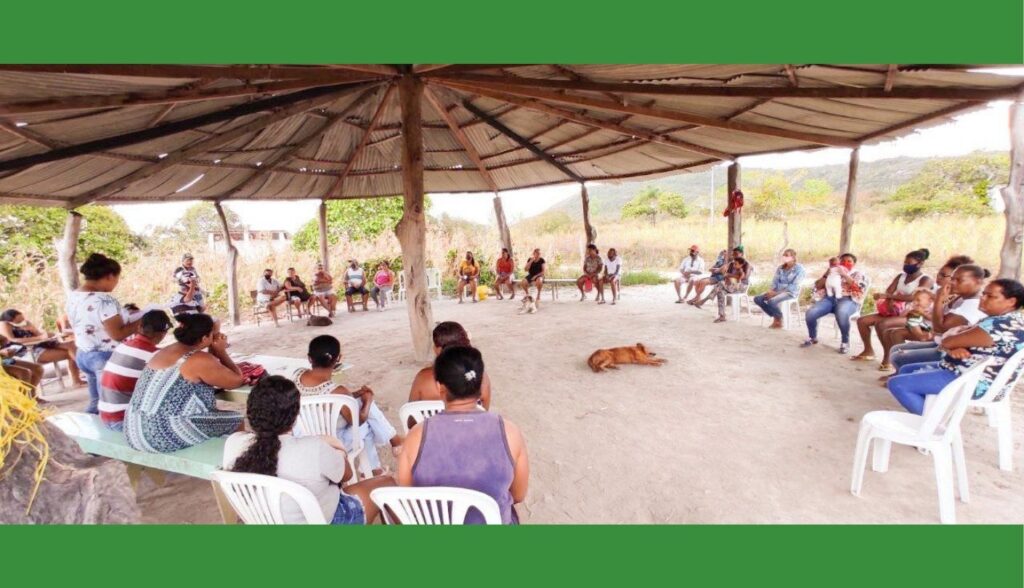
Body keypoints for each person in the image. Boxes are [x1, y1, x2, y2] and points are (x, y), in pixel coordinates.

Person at [223, 375, 395, 524]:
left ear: (251, 412)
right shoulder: (314, 448)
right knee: (387, 484)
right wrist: (338, 448)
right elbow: (347, 475)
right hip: (326, 522)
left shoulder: (234, 443)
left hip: (264, 522)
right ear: (295, 414)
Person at [398, 346, 529, 525]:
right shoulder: (509, 431)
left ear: (439, 387)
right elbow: (519, 495)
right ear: (481, 383)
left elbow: (408, 496)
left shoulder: (415, 437)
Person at [887, 279, 1024, 415]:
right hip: (971, 373)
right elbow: (949, 340)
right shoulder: (1011, 319)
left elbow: (947, 340)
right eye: (984, 294)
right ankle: (931, 409)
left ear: (1011, 301)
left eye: (991, 296)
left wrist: (952, 343)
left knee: (897, 384)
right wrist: (952, 345)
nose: (983, 298)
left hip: (973, 381)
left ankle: (934, 425)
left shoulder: (1000, 324)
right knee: (906, 368)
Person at [125, 313, 244, 453]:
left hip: (134, 428)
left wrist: (213, 350)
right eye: (213, 334)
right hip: (159, 434)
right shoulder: (198, 359)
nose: (216, 337)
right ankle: (236, 459)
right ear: (205, 338)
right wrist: (221, 351)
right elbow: (236, 380)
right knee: (236, 420)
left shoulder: (166, 350)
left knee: (214, 418)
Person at [294, 335, 402, 474]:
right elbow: (358, 421)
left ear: (309, 358)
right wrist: (368, 400)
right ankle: (375, 465)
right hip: (335, 442)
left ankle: (382, 458)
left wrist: (356, 394)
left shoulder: (298, 376)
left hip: (306, 436)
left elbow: (331, 397)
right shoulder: (338, 391)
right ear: (338, 359)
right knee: (367, 422)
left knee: (359, 404)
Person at [66, 253, 140, 414]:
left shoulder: (74, 295)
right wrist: (141, 321)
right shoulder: (104, 300)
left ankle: (87, 436)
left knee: (95, 403)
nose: (116, 284)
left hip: (83, 354)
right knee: (110, 407)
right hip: (103, 357)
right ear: (109, 276)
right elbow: (118, 334)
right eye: (117, 279)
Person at [887, 261, 988, 372]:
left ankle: (909, 378)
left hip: (953, 351)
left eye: (959, 280)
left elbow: (939, 327)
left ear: (978, 282)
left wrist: (939, 298)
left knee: (899, 357)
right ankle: (904, 376)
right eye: (952, 278)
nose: (953, 282)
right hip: (942, 343)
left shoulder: (972, 305)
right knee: (896, 349)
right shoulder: (961, 297)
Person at [852, 249, 933, 363]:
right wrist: (889, 300)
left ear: (920, 264)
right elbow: (890, 290)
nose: (906, 265)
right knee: (862, 321)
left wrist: (889, 296)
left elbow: (913, 297)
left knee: (882, 324)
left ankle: (888, 357)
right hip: (894, 311)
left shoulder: (925, 279)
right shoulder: (901, 276)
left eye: (909, 263)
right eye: (905, 263)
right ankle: (868, 350)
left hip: (913, 314)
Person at [98, 310, 172, 431]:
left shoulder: (123, 346)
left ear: (139, 327)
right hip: (124, 421)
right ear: (163, 334)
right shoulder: (153, 355)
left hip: (106, 417)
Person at [409, 321, 492, 410]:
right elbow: (484, 411)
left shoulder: (423, 378)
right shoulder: (480, 377)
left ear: (438, 349)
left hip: (433, 423)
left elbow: (410, 414)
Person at [801, 253, 869, 354]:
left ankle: (845, 342)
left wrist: (844, 274)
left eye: (849, 261)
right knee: (811, 313)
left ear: (854, 263)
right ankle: (812, 337)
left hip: (848, 299)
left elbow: (858, 288)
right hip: (829, 298)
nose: (845, 263)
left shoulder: (858, 274)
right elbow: (818, 286)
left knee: (842, 313)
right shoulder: (832, 272)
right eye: (842, 261)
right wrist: (826, 274)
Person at [0, 308, 83, 385]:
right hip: (27, 350)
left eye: (22, 318)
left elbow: (39, 334)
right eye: (18, 320)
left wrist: (35, 331)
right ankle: (82, 375)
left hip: (41, 344)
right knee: (70, 353)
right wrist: (38, 338)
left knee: (72, 346)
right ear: (10, 321)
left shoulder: (26, 323)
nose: (22, 321)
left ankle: (78, 378)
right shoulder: (5, 325)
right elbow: (11, 339)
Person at [696, 245, 751, 323]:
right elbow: (726, 274)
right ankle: (722, 316)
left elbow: (744, 277)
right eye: (733, 254)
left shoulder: (746, 264)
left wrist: (729, 276)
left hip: (741, 286)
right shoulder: (732, 264)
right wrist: (728, 278)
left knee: (721, 284)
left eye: (736, 253)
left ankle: (705, 300)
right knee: (720, 291)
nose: (734, 255)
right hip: (731, 285)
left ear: (741, 254)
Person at [753, 249, 806, 329]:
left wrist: (776, 294)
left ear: (793, 257)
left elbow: (794, 286)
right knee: (758, 299)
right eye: (784, 255)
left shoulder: (799, 269)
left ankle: (777, 320)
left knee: (772, 301)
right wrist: (771, 291)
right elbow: (775, 281)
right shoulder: (780, 268)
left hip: (790, 293)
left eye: (787, 255)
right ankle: (778, 316)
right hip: (777, 291)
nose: (784, 257)